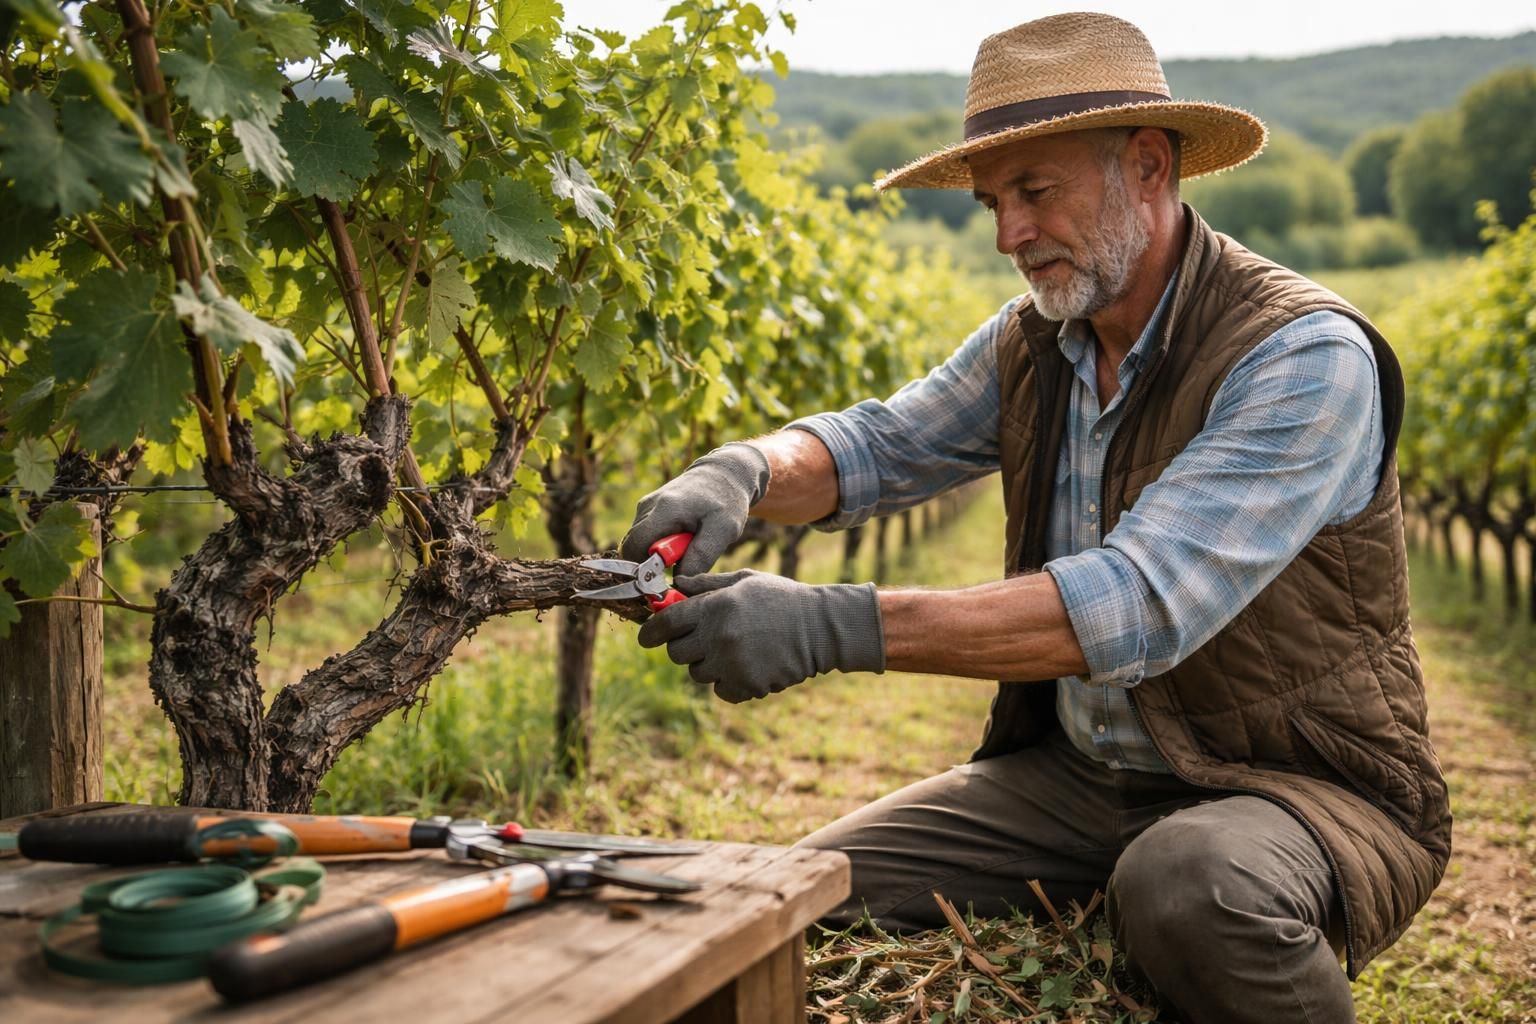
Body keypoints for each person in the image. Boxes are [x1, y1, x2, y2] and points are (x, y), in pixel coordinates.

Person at [620, 13, 1450, 1023]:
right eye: (993, 203)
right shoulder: (1040, 336)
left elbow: (1137, 604)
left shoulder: (1300, 356)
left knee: (1190, 883)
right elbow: (884, 444)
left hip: (1296, 786)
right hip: (1077, 779)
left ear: (1147, 165)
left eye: (1034, 192)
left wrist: (827, 625)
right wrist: (743, 471)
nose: (1010, 234)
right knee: (788, 901)